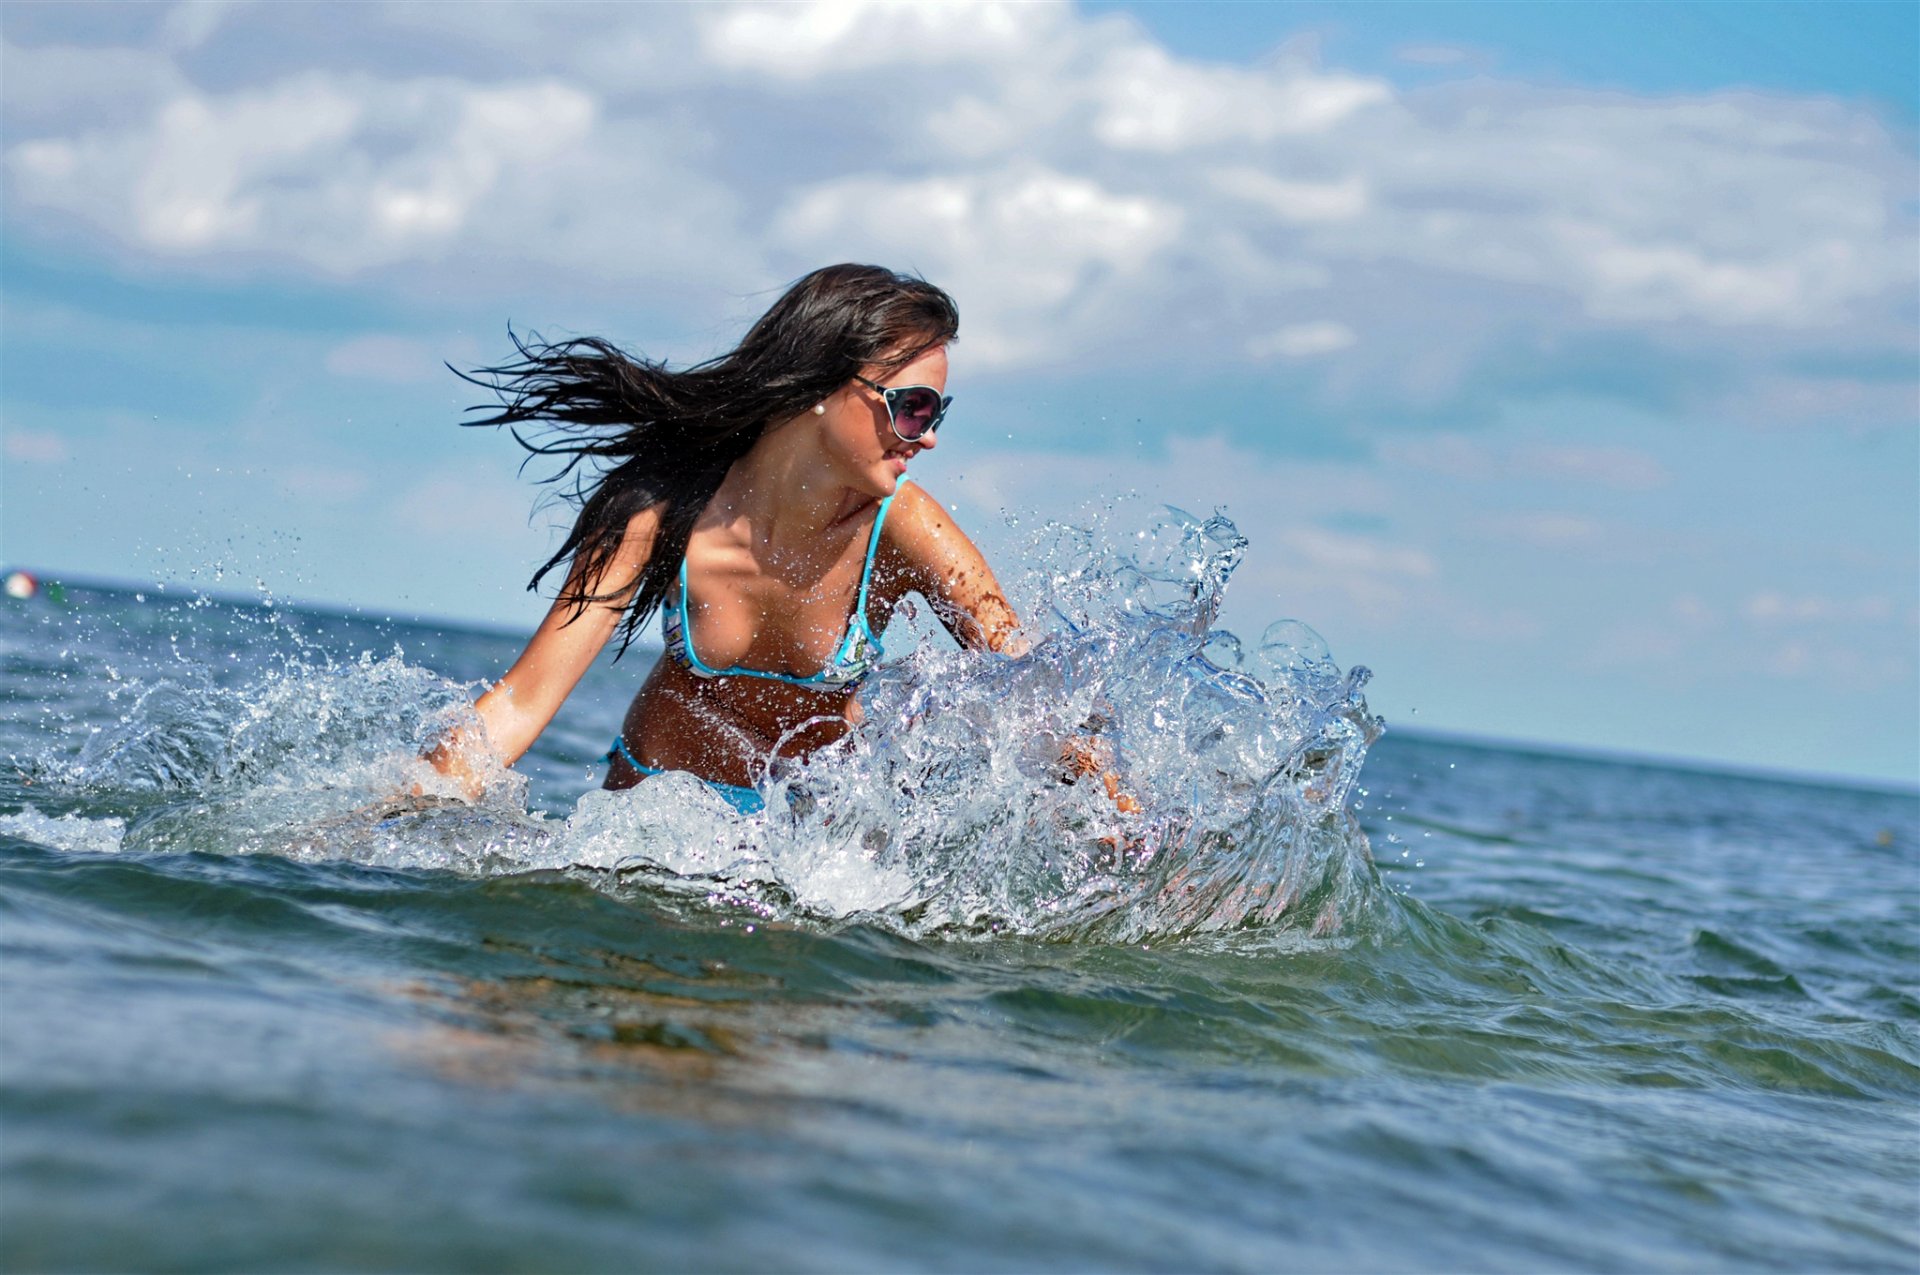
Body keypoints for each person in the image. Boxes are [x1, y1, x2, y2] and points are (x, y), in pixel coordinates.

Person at [426, 263, 1086, 816]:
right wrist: (410, 805)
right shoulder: (659, 512)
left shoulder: (905, 526)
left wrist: (1133, 829)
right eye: (912, 407)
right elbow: (521, 698)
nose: (928, 435)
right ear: (827, 386)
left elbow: (1029, 687)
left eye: (935, 413)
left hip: (813, 849)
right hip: (654, 820)